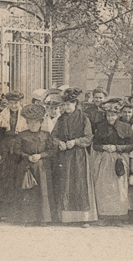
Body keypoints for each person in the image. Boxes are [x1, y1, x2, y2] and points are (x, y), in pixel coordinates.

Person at [51, 87, 97, 226]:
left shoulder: (83, 118)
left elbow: (88, 137)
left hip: (79, 156)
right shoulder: (60, 119)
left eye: (69, 104)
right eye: (64, 105)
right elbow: (53, 136)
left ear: (75, 104)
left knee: (79, 183)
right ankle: (66, 218)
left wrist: (75, 142)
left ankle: (83, 218)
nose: (66, 107)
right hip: (64, 155)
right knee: (65, 184)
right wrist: (59, 142)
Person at [92, 98, 133, 227]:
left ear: (118, 115)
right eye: (108, 115)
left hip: (120, 160)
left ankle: (118, 217)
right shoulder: (101, 127)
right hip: (104, 159)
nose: (110, 118)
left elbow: (130, 146)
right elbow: (95, 145)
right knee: (104, 188)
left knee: (119, 188)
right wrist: (104, 147)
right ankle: (104, 216)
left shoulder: (126, 127)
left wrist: (116, 148)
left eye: (113, 115)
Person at [14, 104, 56, 225]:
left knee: (43, 191)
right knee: (28, 192)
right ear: (27, 123)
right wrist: (27, 156)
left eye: (36, 122)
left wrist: (40, 156)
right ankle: (27, 218)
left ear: (40, 122)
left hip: (42, 168)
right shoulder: (22, 135)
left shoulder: (46, 135)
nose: (33, 125)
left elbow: (51, 150)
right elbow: (16, 151)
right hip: (26, 168)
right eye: (31, 122)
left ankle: (44, 219)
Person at [0, 91, 27, 221]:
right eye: (11, 103)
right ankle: (1, 213)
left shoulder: (23, 115)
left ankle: (16, 213)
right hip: (5, 148)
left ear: (20, 103)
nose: (13, 105)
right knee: (2, 179)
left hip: (18, 148)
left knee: (17, 179)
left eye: (16, 103)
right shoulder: (2, 116)